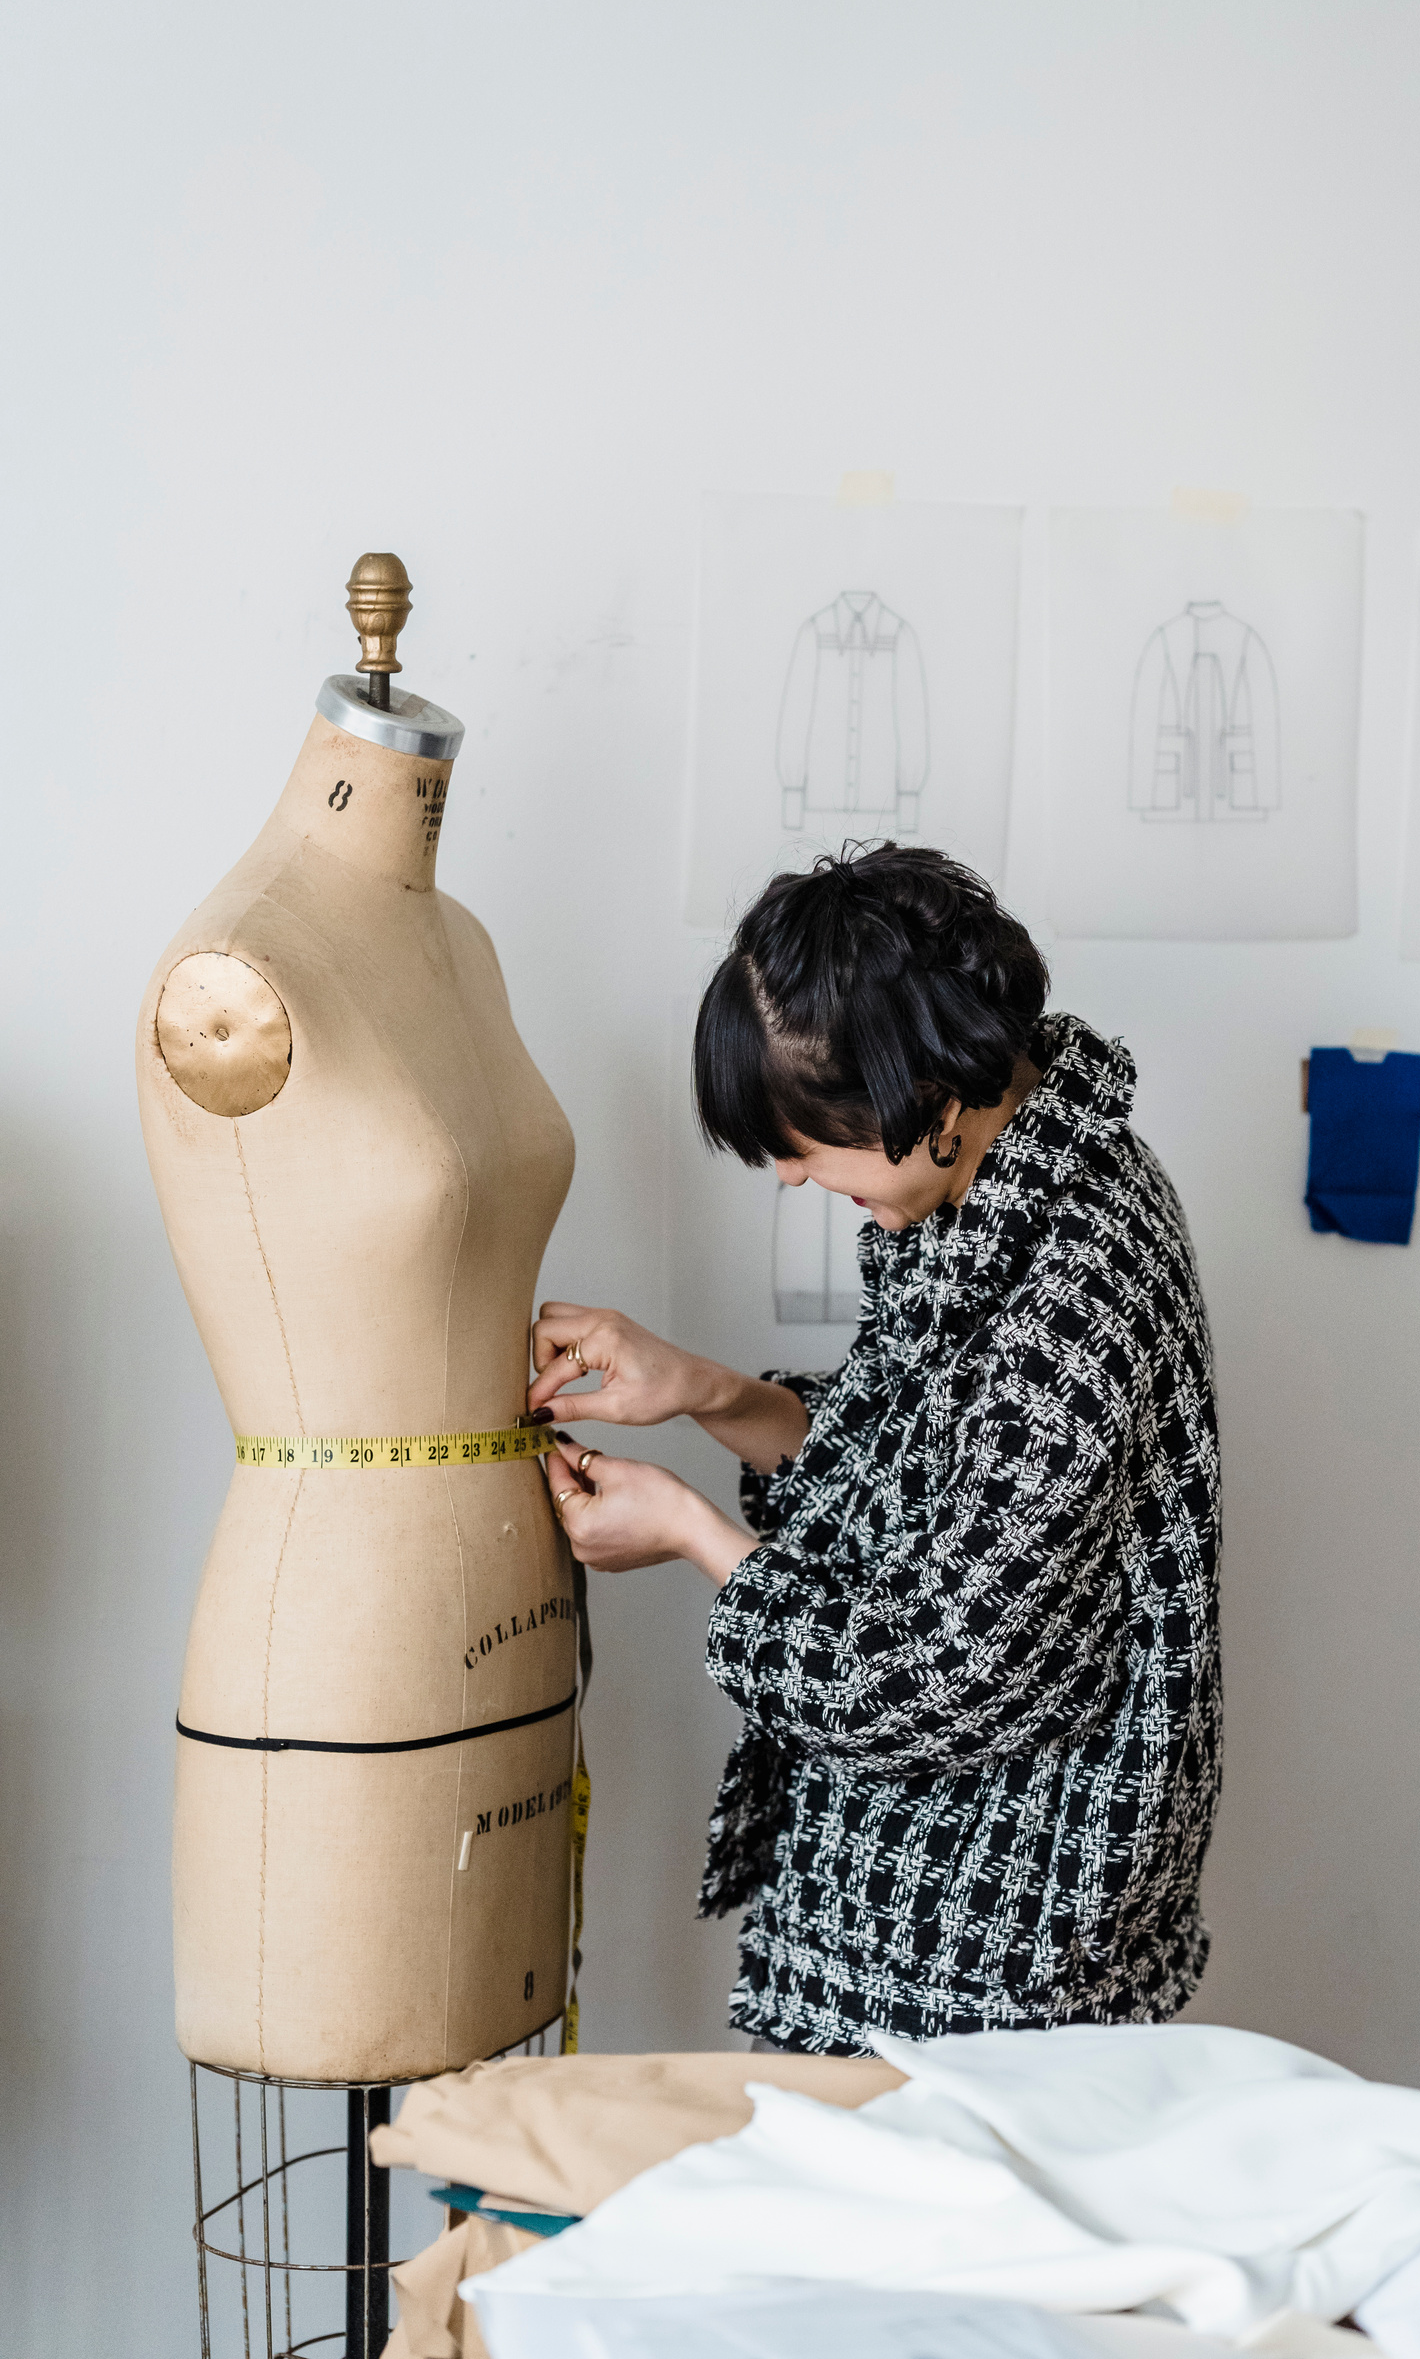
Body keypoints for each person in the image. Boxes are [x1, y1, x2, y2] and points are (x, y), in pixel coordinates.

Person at [525, 845, 1221, 2055]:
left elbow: (935, 1677)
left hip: (997, 1938)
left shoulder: (1076, 1287)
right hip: (932, 1892)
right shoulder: (994, 1188)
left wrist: (697, 1534)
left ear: (927, 1105)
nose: (796, 1179)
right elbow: (921, 1480)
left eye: (806, 1147)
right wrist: (703, 1391)